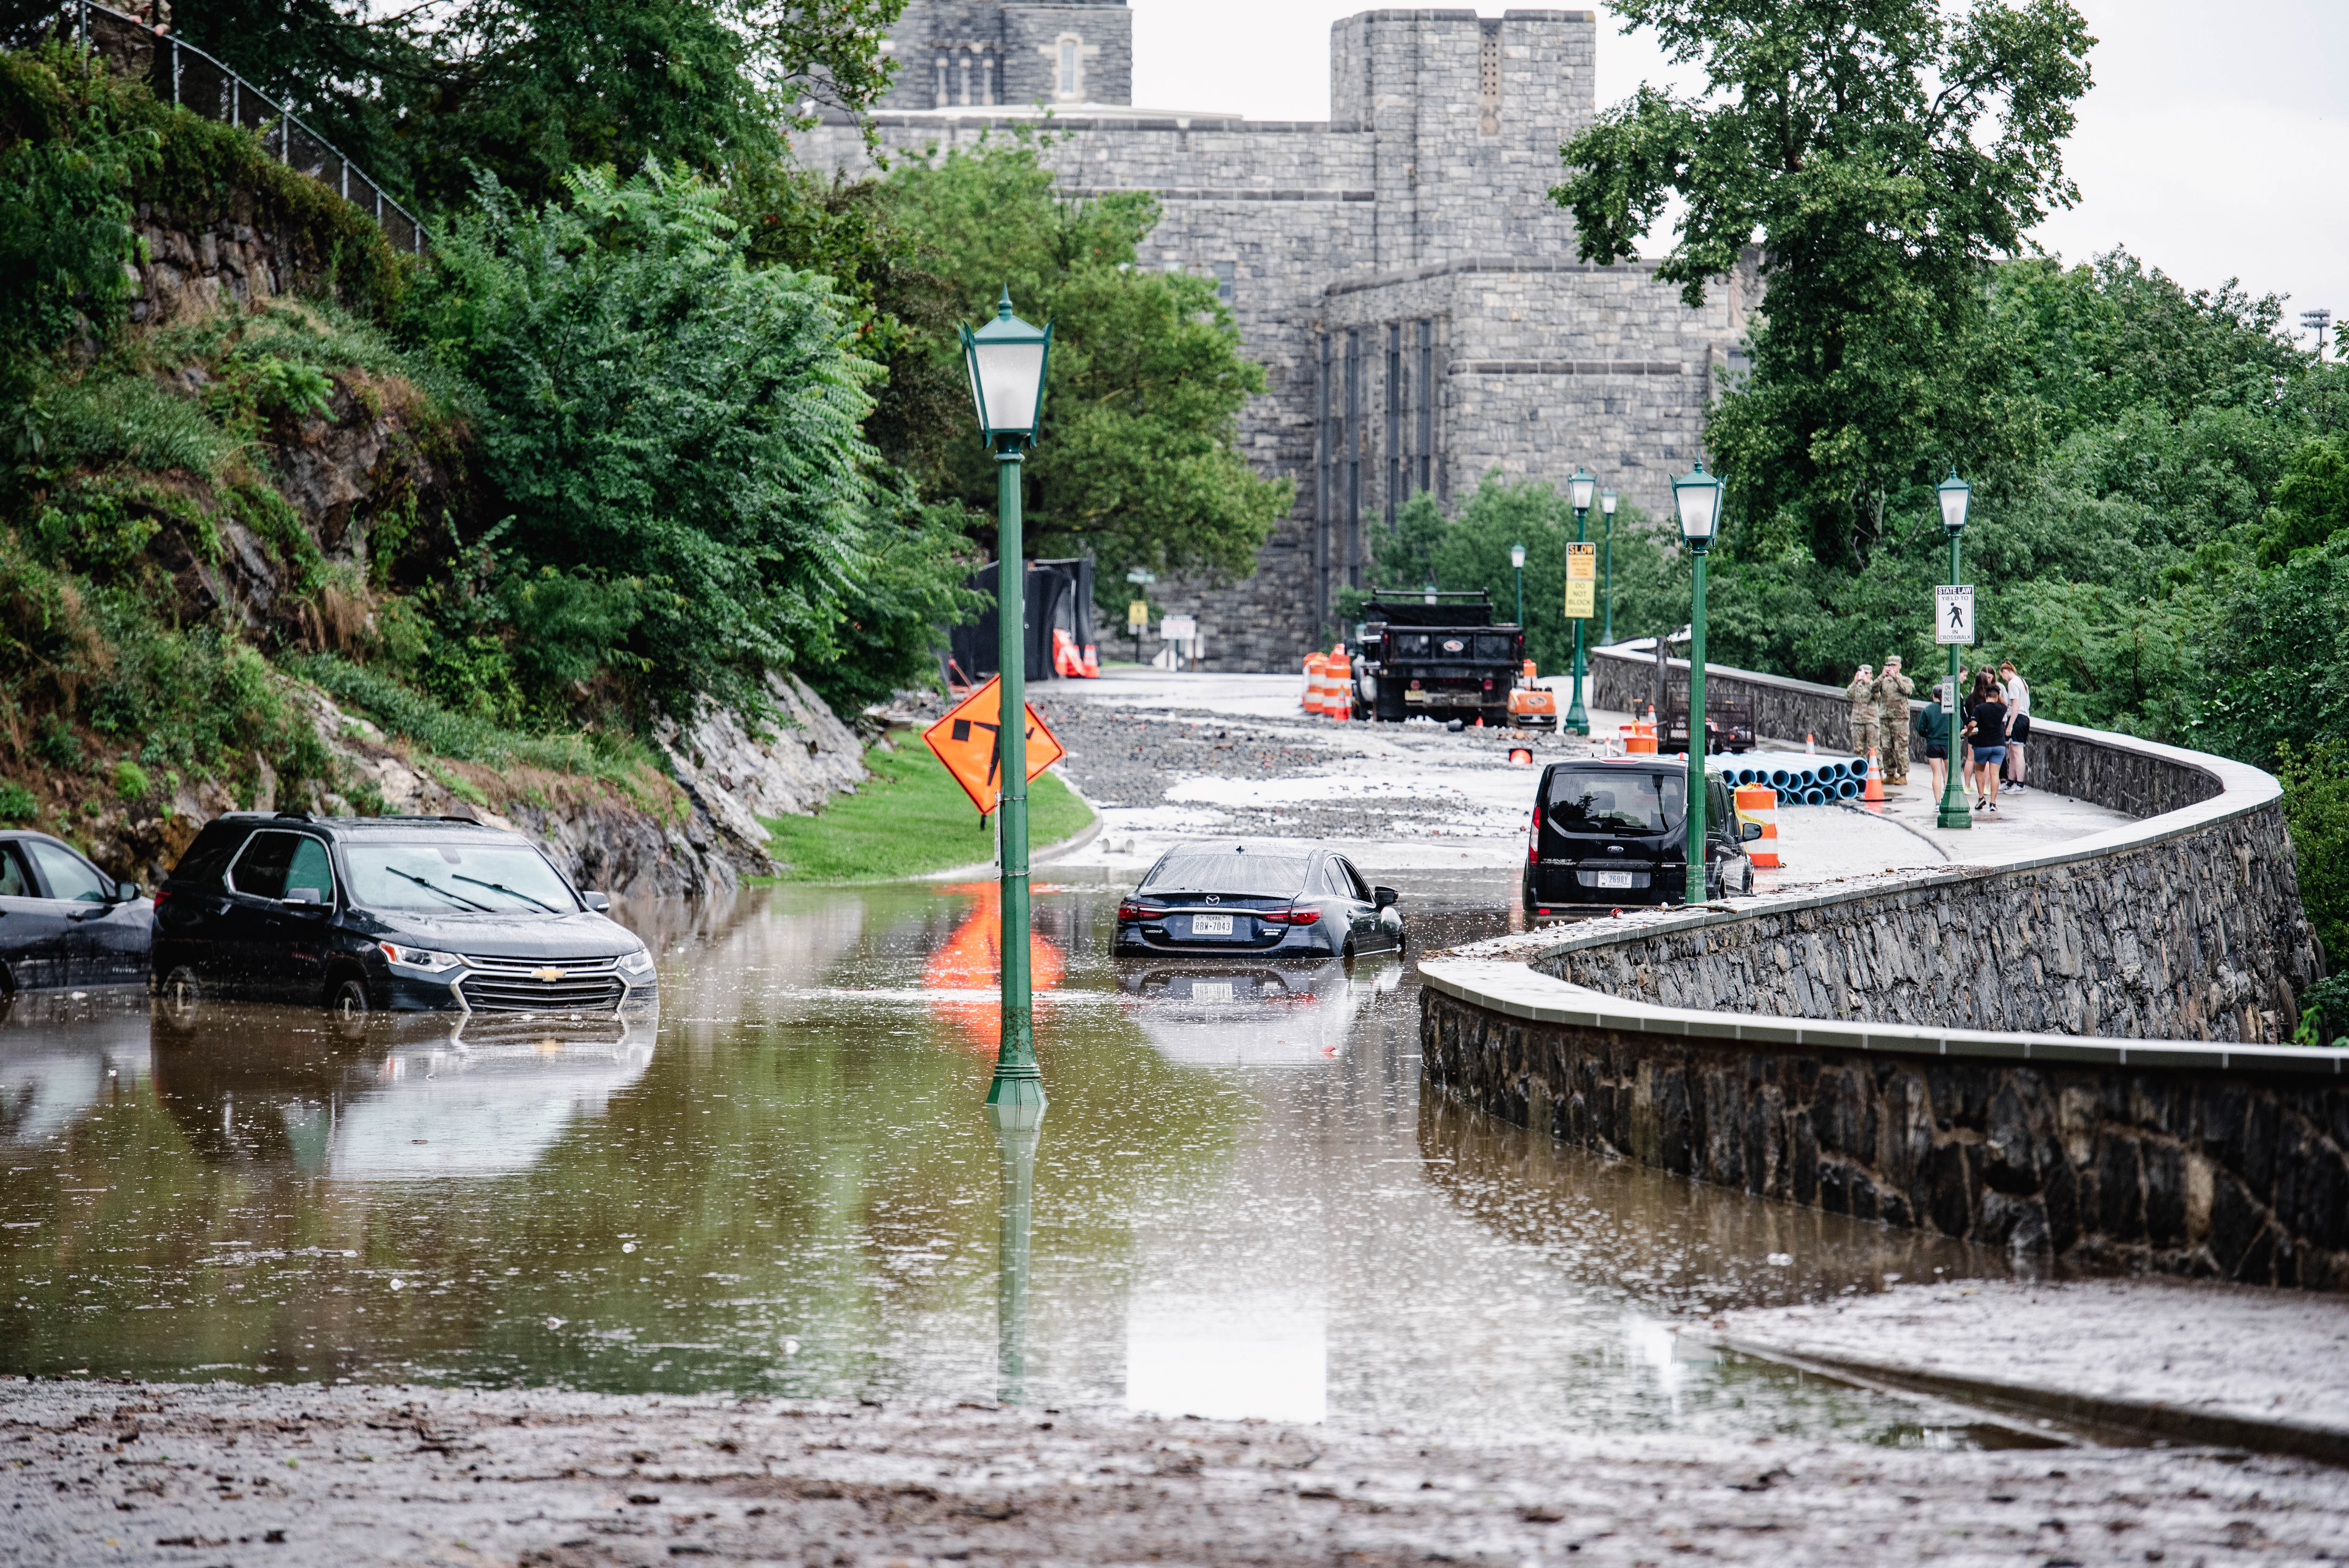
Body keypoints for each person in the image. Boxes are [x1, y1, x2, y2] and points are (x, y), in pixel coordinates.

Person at [1963, 673, 2009, 814]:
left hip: (1983, 744)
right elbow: (2004, 703)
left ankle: (1981, 797)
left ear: (1985, 696)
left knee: (1980, 771)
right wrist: (1997, 693)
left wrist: (1969, 732)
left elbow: (1973, 724)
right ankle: (1993, 803)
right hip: (1999, 745)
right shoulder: (2002, 709)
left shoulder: (1980, 708)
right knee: (1995, 774)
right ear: (1996, 696)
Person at [1872, 656, 1916, 785]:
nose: (1891, 668)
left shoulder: (1905, 680)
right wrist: (1881, 676)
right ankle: (1890, 774)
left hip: (1900, 719)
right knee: (1886, 747)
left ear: (1899, 666)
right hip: (1885, 717)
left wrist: (1896, 678)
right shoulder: (1884, 680)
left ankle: (1903, 775)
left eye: (1894, 665)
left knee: (1900, 747)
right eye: (1889, 665)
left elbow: (1908, 691)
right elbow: (1873, 689)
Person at [1916, 682, 1951, 802]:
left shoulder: (1928, 710)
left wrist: (1930, 736)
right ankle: (1947, 799)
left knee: (1936, 774)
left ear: (1933, 696)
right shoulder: (1949, 709)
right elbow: (1960, 725)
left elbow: (1920, 728)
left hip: (1933, 744)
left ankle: (1937, 802)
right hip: (1948, 744)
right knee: (1948, 774)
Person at [2000, 660, 2031, 791]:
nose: (2004, 679)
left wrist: (2010, 725)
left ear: (2005, 672)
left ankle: (2020, 784)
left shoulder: (2013, 683)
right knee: (2013, 752)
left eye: (2003, 676)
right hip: (2024, 718)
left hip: (2017, 719)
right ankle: (2011, 781)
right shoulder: (2022, 681)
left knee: (2018, 753)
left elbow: (2016, 706)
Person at [1846, 664, 1879, 762]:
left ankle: (1877, 773)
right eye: (1862, 673)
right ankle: (1861, 772)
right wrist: (1855, 682)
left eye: (1866, 673)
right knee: (1859, 750)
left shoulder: (1874, 685)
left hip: (1871, 721)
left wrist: (1868, 683)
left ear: (1871, 675)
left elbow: (1878, 696)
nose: (1864, 675)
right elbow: (1848, 695)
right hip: (1858, 720)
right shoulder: (1856, 686)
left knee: (1874, 749)